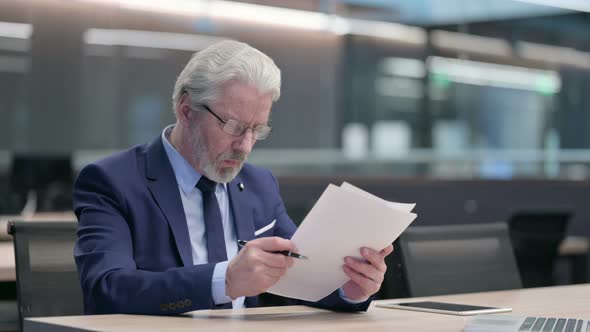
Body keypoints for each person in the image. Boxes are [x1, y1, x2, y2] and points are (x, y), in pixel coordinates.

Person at [73, 40, 393, 315]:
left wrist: (349, 288)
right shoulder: (112, 181)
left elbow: (303, 277)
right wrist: (224, 280)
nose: (245, 145)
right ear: (187, 110)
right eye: (233, 126)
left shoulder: (259, 185)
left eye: (257, 129)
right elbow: (106, 289)